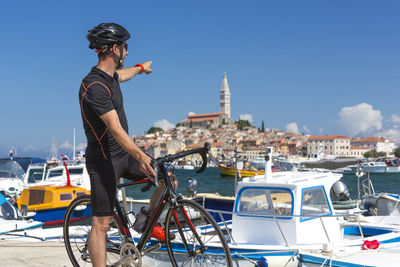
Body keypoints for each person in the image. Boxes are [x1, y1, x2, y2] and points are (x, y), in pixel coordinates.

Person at [79, 22, 168, 267]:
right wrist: (141, 156)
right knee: (102, 224)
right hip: (103, 161)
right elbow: (116, 130)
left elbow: (123, 75)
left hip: (123, 155)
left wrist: (140, 69)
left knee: (167, 177)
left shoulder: (110, 77)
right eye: (125, 47)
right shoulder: (94, 87)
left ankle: (146, 220)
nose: (128, 51)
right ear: (114, 49)